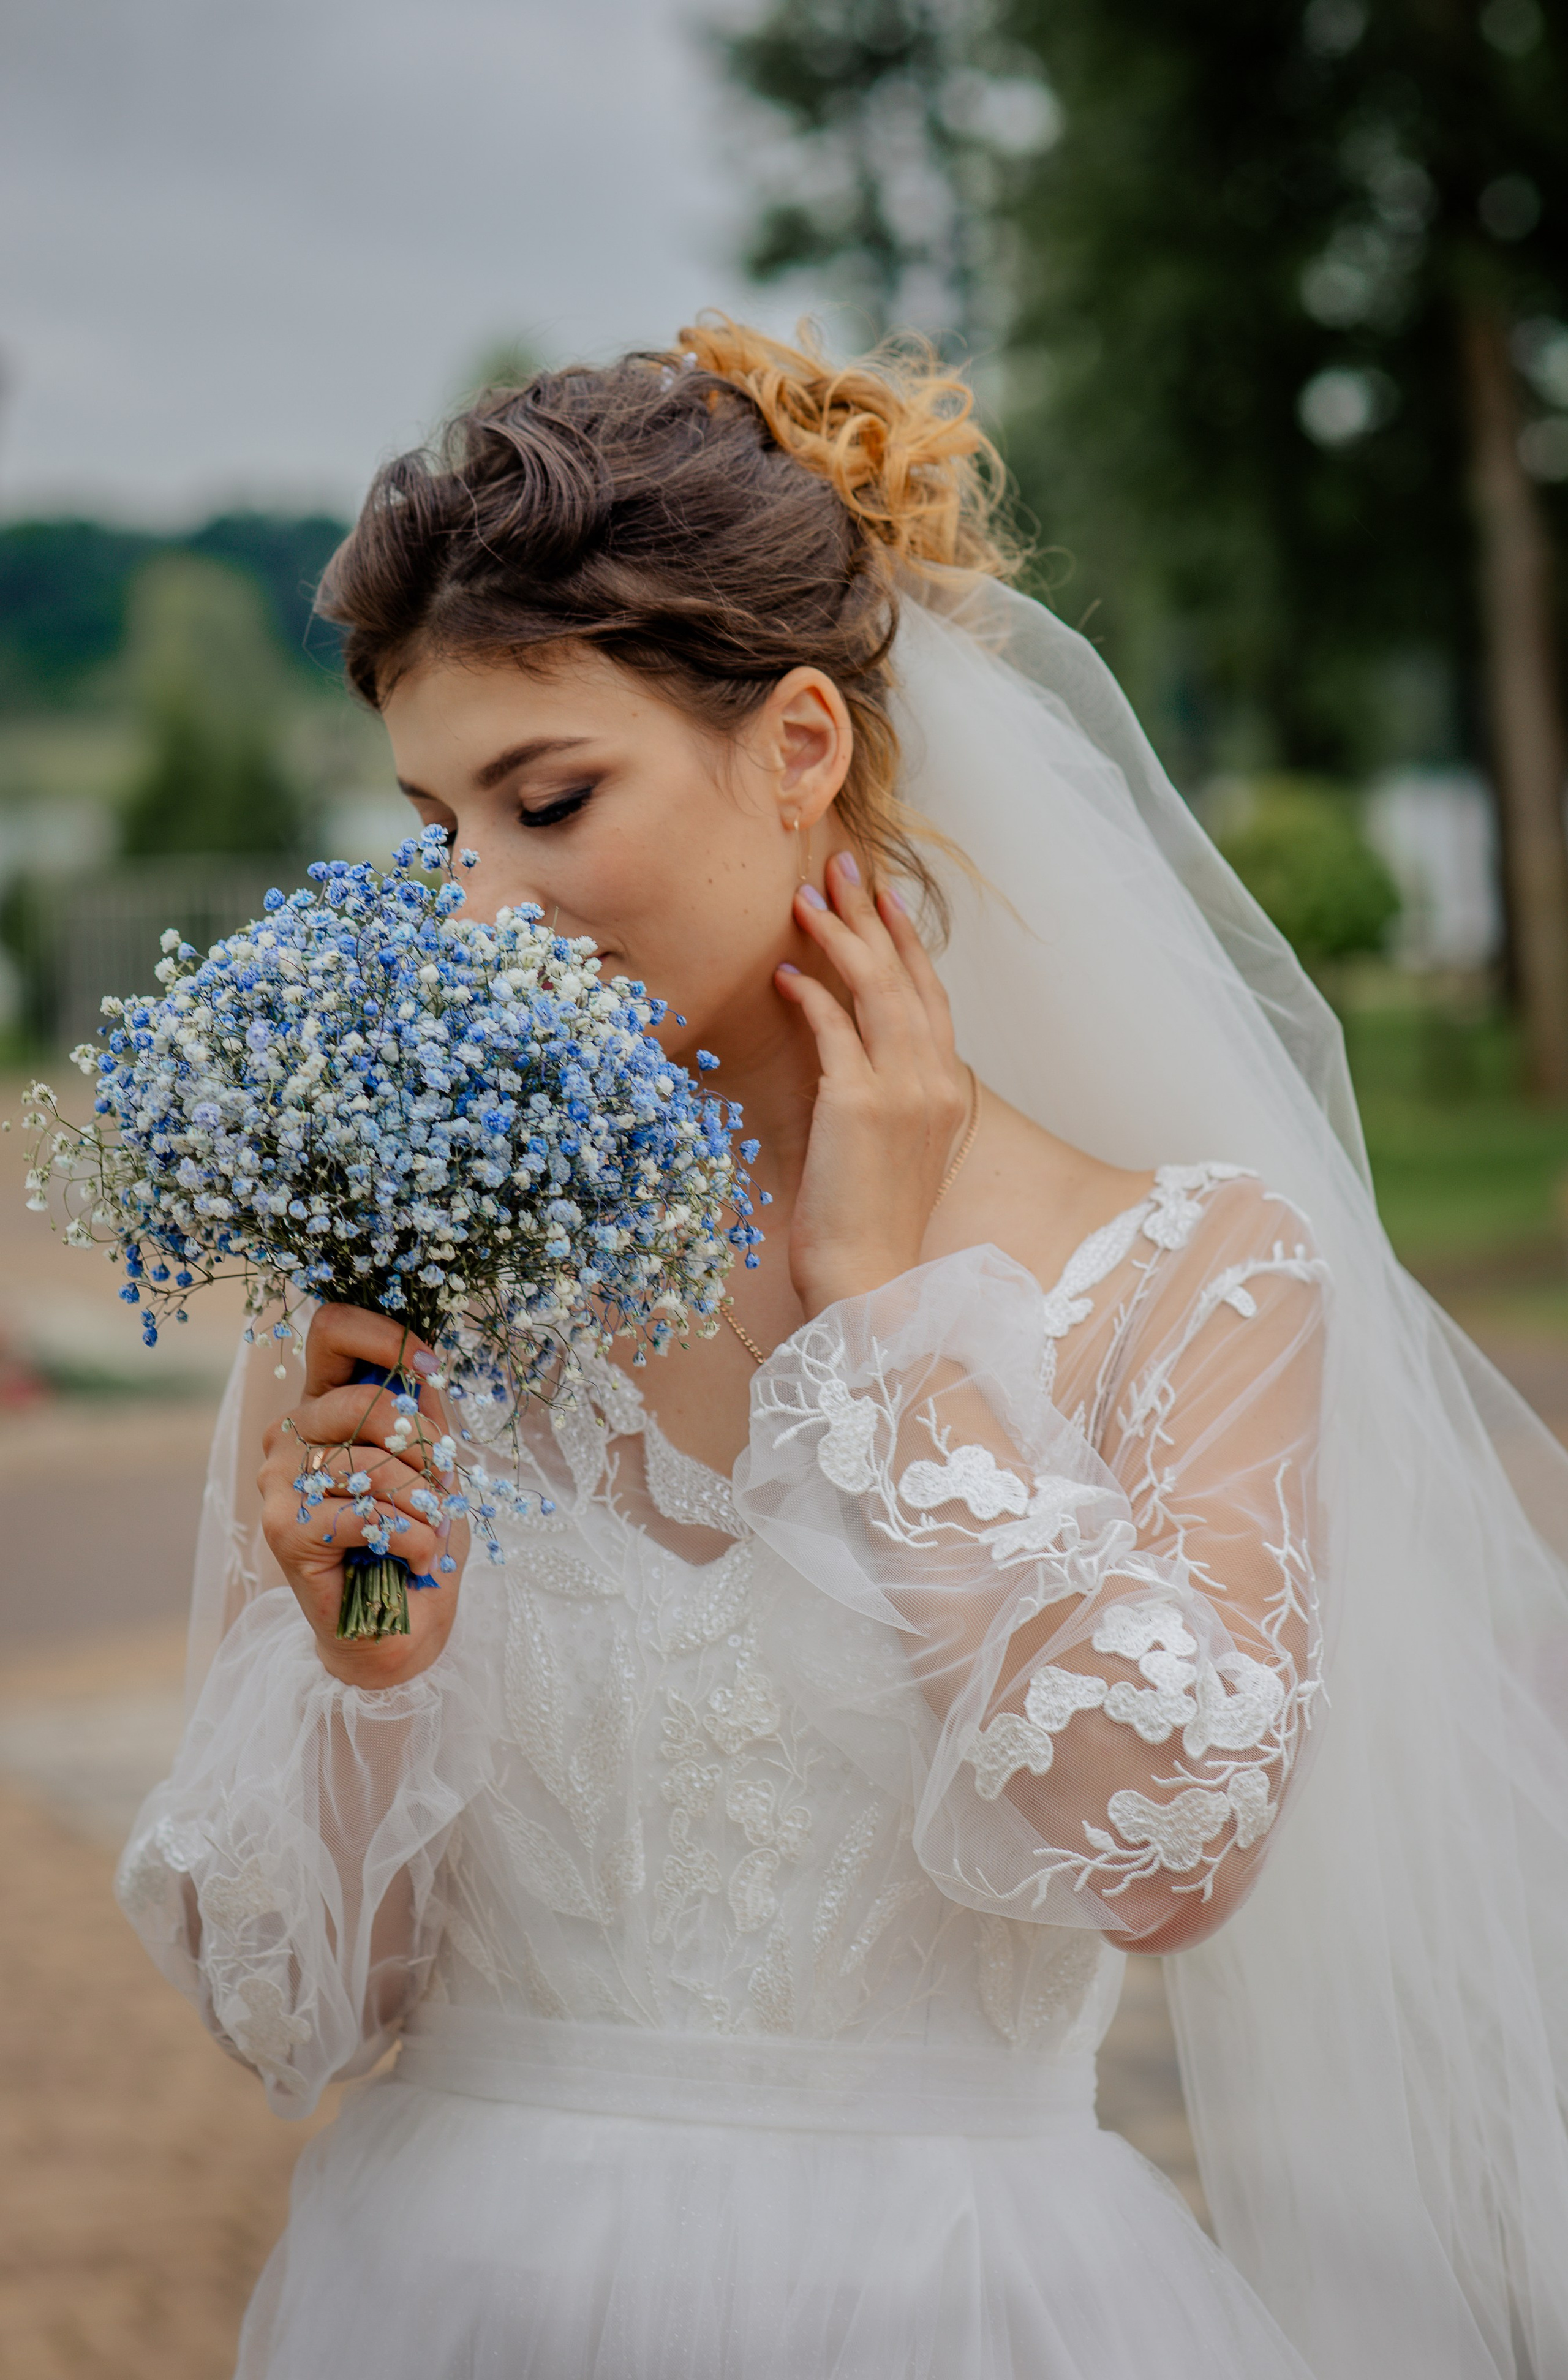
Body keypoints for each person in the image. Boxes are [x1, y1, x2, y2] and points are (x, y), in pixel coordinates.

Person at [117, 322, 1568, 2380]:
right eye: (439, 830)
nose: (477, 908)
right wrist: (369, 1659)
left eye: (548, 800)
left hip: (968, 2311)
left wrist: (889, 1318)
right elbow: (300, 2012)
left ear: (800, 746)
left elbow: (1166, 1853)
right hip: (454, 2303)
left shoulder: (1186, 1274)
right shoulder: (416, 1278)